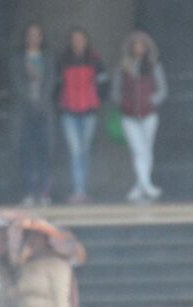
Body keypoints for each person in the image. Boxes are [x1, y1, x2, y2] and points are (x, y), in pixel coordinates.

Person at [110, 31, 167, 203]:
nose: (139, 48)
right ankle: (146, 185)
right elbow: (115, 90)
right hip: (129, 115)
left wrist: (152, 101)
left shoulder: (153, 65)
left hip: (149, 114)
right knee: (138, 150)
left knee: (147, 150)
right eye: (136, 44)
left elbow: (162, 89)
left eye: (142, 45)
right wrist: (123, 102)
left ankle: (140, 185)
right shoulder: (123, 66)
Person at [55, 28, 105, 203]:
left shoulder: (95, 60)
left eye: (81, 39)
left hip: (89, 111)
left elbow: (103, 83)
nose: (78, 42)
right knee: (75, 151)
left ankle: (82, 189)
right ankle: (78, 190)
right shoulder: (62, 60)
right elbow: (56, 85)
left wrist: (96, 99)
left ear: (86, 41)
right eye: (74, 39)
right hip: (69, 111)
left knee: (84, 150)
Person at [10, 23, 55, 206]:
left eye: (37, 34)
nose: (33, 38)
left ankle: (44, 192)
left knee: (45, 151)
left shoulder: (48, 57)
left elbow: (52, 79)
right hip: (25, 111)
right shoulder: (17, 58)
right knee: (27, 152)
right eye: (30, 34)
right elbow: (16, 81)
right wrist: (29, 99)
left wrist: (42, 100)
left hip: (44, 111)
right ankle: (29, 192)